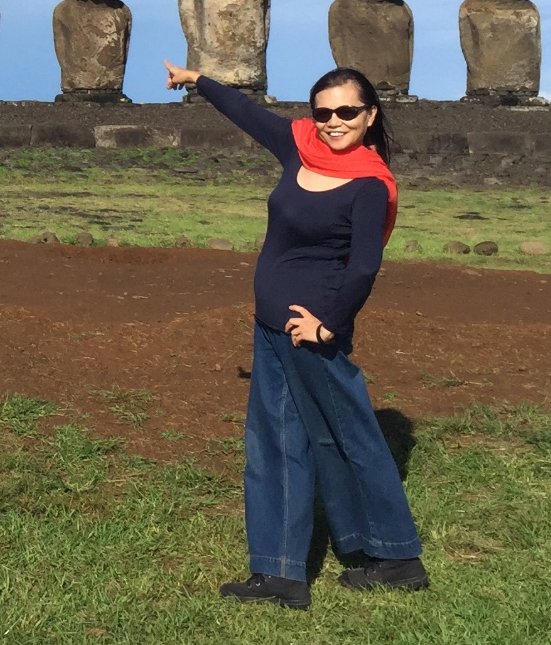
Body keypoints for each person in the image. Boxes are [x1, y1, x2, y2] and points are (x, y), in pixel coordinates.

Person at [165, 59, 428, 610]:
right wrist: (199, 81)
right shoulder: (299, 146)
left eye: (347, 112)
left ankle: (397, 556)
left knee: (348, 434)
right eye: (324, 112)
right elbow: (247, 114)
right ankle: (281, 572)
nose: (333, 122)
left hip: (312, 332)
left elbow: (363, 266)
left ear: (370, 114)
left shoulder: (369, 183)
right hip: (271, 325)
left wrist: (326, 323)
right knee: (274, 442)